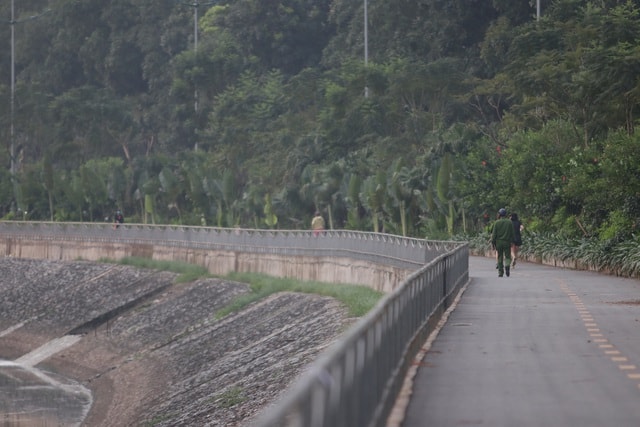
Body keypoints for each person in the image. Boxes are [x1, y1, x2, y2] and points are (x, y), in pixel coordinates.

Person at [491, 208, 515, 277]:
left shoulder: (496, 223)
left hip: (499, 243)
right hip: (507, 242)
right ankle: (507, 266)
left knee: (500, 257)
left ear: (499, 214)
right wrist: (512, 241)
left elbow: (494, 234)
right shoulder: (509, 222)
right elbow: (512, 233)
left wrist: (493, 243)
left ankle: (500, 272)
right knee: (508, 256)